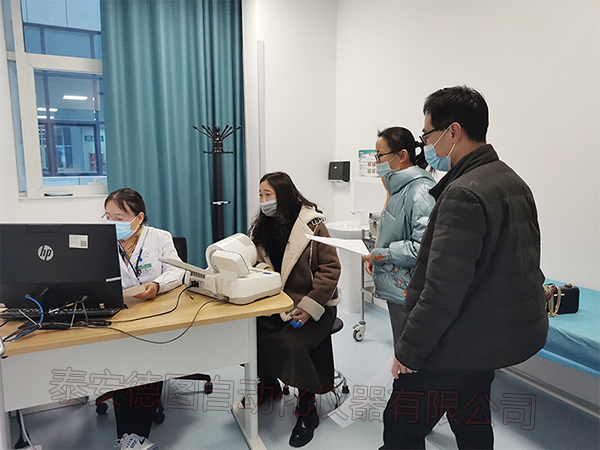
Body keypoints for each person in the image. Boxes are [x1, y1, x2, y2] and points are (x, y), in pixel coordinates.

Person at [382, 86, 548, 450]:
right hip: (484, 341)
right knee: (472, 420)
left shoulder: (463, 194)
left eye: (428, 135)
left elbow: (441, 291)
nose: (427, 145)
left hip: (453, 344)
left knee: (400, 426)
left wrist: (408, 351)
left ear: (453, 131)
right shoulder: (511, 180)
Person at [249, 172, 341, 448]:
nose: (263, 200)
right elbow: (255, 261)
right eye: (261, 195)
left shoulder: (313, 225)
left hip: (314, 305)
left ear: (284, 195)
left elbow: (330, 269)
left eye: (268, 194)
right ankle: (269, 386)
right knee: (252, 333)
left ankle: (307, 408)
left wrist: (309, 306)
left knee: (292, 344)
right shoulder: (261, 226)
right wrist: (265, 272)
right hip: (277, 303)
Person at [104, 188, 185, 450]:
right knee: (124, 368)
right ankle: (129, 436)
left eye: (119, 218)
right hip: (119, 318)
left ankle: (133, 436)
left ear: (139, 218)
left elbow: (177, 271)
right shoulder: (102, 241)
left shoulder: (159, 238)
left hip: (155, 316)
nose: (112, 223)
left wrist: (158, 285)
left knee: (149, 362)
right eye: (108, 217)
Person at [361, 127, 435, 345]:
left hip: (410, 290)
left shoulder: (420, 191)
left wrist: (380, 255)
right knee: (402, 348)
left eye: (380, 156)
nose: (377, 163)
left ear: (402, 155)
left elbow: (421, 248)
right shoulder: (399, 189)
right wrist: (377, 256)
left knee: (409, 352)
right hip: (399, 285)